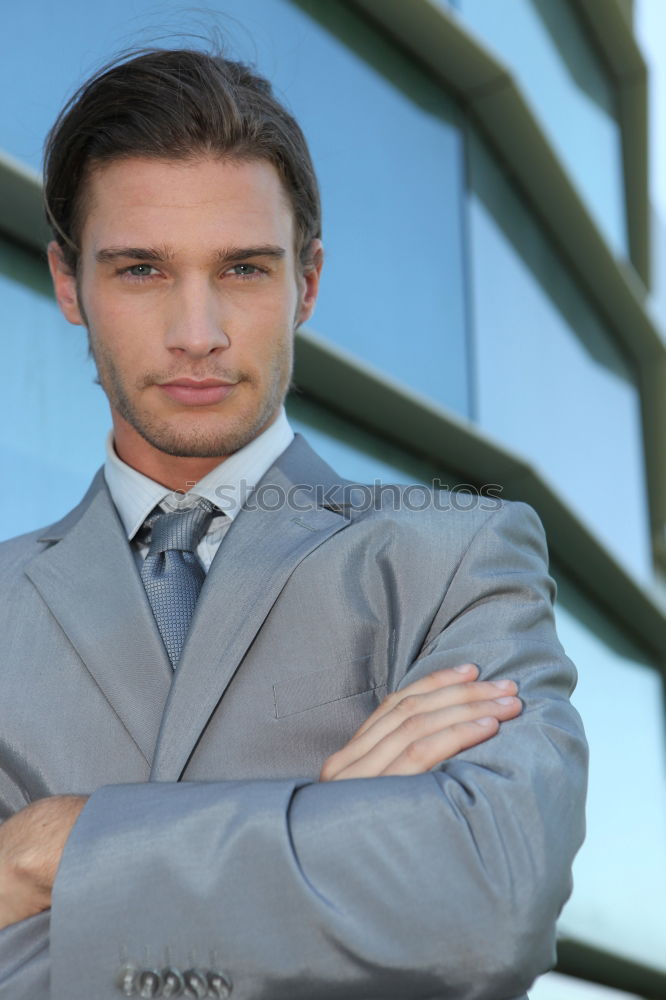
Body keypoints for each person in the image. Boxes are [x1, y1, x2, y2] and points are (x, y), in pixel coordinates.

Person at [0, 48, 587, 1000]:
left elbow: (489, 905)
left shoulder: (457, 560)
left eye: (243, 268)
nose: (199, 331)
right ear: (69, 286)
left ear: (306, 283)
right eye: (142, 269)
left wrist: (46, 851)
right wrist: (324, 824)